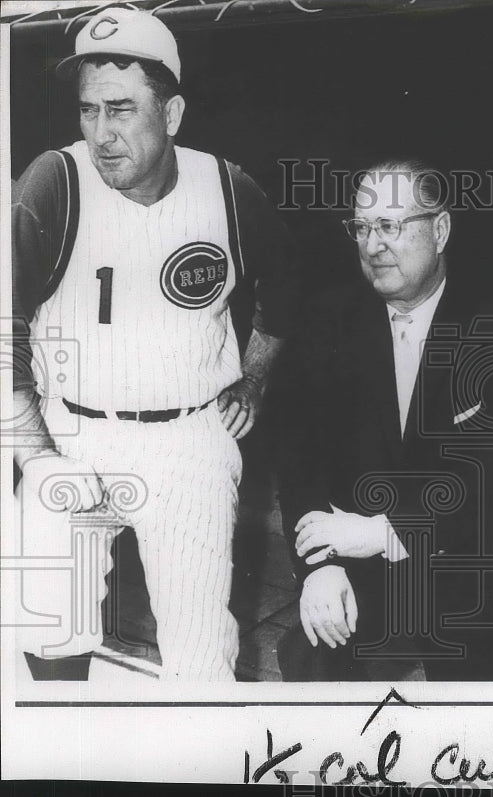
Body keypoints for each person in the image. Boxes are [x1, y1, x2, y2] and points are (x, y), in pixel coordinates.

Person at [10, 8, 295, 681]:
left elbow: (288, 284)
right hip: (71, 431)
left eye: (121, 110)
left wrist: (252, 376)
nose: (101, 134)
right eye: (87, 111)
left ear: (171, 113)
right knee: (52, 625)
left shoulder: (226, 188)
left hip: (187, 442)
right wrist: (37, 455)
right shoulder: (53, 183)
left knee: (201, 658)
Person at [276, 158, 493, 682]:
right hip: (356, 553)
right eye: (361, 227)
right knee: (311, 653)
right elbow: (299, 457)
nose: (372, 244)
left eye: (390, 225)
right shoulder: (328, 319)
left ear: (441, 228)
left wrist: (383, 533)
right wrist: (321, 565)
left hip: (464, 559)